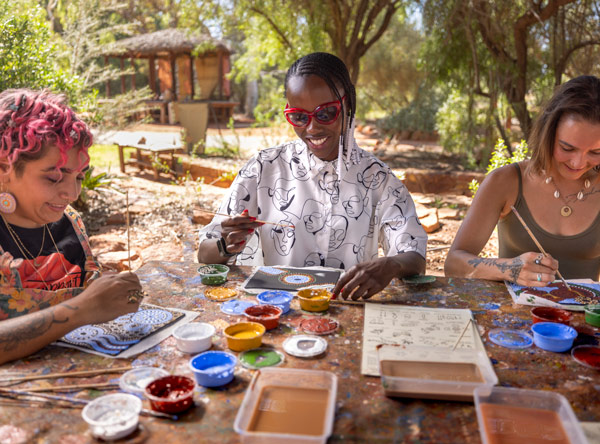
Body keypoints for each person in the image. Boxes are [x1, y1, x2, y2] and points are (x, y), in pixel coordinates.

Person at [198, 52, 427, 300]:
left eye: (326, 113)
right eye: (298, 116)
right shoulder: (263, 169)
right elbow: (205, 254)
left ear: (348, 103)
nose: (312, 128)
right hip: (276, 312)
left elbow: (413, 255)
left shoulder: (378, 180)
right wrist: (224, 242)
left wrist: (391, 265)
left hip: (348, 312)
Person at [0, 89, 142, 364]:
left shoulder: (70, 221)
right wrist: (82, 309)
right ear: (4, 168)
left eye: (78, 177)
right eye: (54, 177)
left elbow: (86, 287)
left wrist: (107, 291)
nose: (72, 194)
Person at [445, 75, 600, 285]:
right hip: (508, 317)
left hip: (582, 318)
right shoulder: (505, 182)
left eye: (596, 151)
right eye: (567, 148)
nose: (578, 162)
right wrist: (508, 269)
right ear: (548, 133)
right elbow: (453, 265)